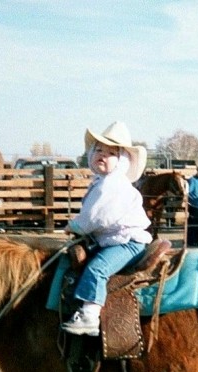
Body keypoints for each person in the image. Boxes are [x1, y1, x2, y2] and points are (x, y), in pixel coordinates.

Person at [61, 121, 152, 336]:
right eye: (99, 150)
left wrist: (74, 225)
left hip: (128, 242)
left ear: (121, 162)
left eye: (111, 153)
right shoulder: (102, 182)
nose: (102, 155)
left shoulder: (114, 184)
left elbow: (96, 217)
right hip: (115, 239)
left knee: (97, 269)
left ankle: (89, 315)